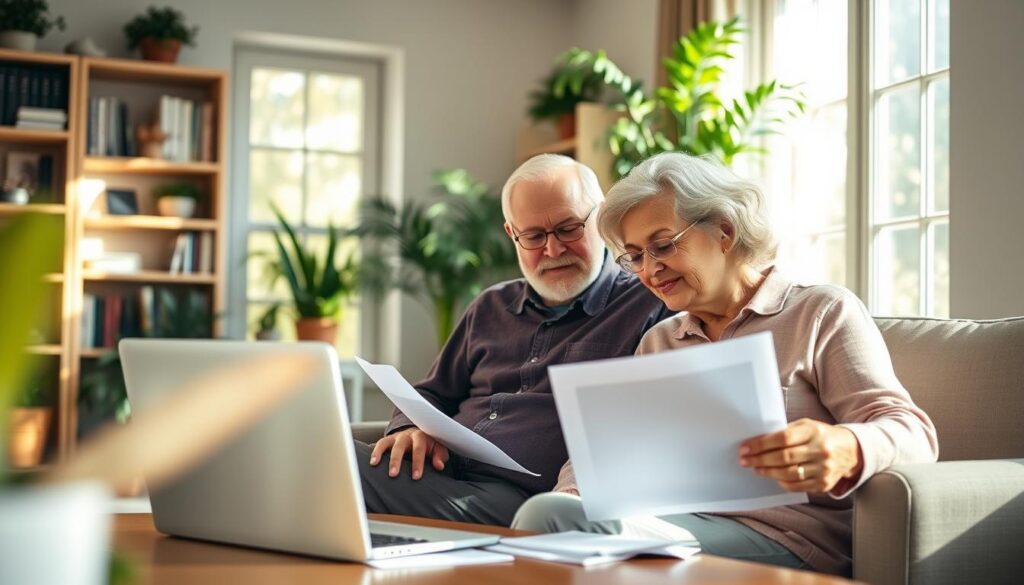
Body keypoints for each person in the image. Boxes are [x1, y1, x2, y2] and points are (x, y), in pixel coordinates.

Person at [510, 152, 938, 576]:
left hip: (788, 540)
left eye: (662, 245)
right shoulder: (661, 340)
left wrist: (846, 447)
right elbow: (604, 455)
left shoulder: (820, 312)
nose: (649, 270)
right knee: (550, 514)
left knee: (547, 521)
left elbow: (913, 431)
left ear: (725, 231)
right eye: (636, 256)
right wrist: (574, 492)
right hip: (672, 527)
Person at [356, 154, 674, 526]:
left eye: (569, 229)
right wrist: (408, 429)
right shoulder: (491, 305)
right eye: (534, 236)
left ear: (601, 216)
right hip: (438, 474)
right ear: (511, 234)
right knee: (325, 449)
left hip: (526, 502)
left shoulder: (648, 302)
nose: (553, 251)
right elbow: (431, 392)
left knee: (335, 462)